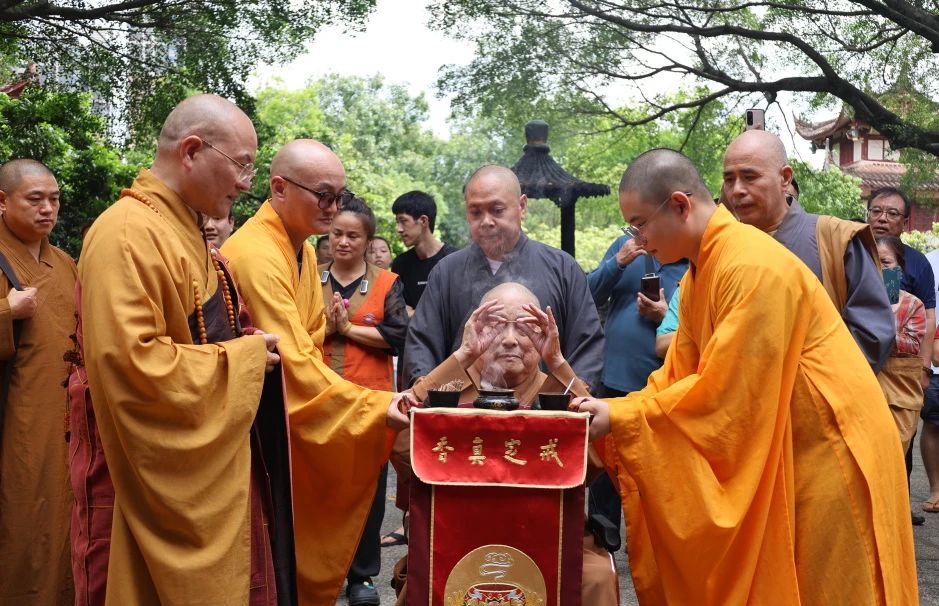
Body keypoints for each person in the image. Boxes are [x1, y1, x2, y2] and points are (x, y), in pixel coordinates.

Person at [575, 148, 916, 604]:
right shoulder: (702, 272)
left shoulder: (750, 266)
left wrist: (624, 417)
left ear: (679, 205)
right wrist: (616, 414)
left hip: (831, 446)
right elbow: (679, 373)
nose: (634, 239)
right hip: (792, 441)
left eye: (639, 224)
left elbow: (724, 394)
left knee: (830, 585)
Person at [76, 94, 291, 604]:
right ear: (192, 151)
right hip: (145, 479)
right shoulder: (126, 232)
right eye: (241, 164)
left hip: (207, 463)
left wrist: (245, 347)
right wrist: (242, 361)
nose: (246, 182)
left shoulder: (185, 230)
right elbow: (132, 367)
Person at [221, 139, 410, 606]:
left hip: (295, 408)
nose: (334, 209)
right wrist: (371, 406)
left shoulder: (301, 250)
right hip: (266, 419)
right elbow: (292, 357)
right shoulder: (256, 253)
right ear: (279, 187)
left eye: (339, 197)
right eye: (323, 195)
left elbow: (309, 341)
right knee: (271, 548)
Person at [400, 282, 617, 606]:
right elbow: (402, 447)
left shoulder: (557, 390)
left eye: (527, 328)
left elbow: (598, 456)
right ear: (475, 330)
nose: (511, 339)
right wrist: (462, 356)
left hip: (548, 533)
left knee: (596, 577)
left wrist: (557, 362)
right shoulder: (448, 390)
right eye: (497, 326)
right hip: (458, 534)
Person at [403, 165, 604, 391]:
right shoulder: (447, 271)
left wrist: (577, 395)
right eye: (476, 212)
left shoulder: (562, 268)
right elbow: (422, 344)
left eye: (497, 210)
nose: (486, 221)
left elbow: (587, 347)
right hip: (462, 414)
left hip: (543, 413)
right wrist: (422, 392)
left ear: (522, 207)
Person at [723, 129, 895, 373]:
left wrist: (790, 381)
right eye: (729, 179)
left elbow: (872, 336)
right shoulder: (727, 245)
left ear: (785, 178)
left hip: (818, 399)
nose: (737, 190)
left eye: (749, 177)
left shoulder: (835, 238)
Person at [318, 197, 409, 605]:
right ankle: (318, 570)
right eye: (336, 233)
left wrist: (347, 329)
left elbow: (397, 336)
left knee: (369, 489)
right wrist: (327, 329)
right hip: (318, 396)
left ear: (368, 240)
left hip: (370, 397)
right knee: (320, 485)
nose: (342, 242)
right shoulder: (311, 277)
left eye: (352, 235)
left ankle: (362, 577)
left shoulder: (387, 282)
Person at [0, 159, 75, 605]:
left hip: (67, 421)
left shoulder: (65, 263)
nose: (48, 209)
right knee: (22, 525)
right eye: (35, 199)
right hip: (16, 423)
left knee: (66, 524)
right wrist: (8, 311)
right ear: (2, 202)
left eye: (54, 199)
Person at [587, 229, 687, 542]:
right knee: (606, 466)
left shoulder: (691, 264)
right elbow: (586, 294)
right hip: (614, 375)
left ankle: (651, 540)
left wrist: (663, 314)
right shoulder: (624, 246)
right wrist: (618, 262)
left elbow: (699, 332)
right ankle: (605, 536)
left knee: (654, 467)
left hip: (660, 388)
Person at [866, 187, 939, 518]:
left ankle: (895, 505)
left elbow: (917, 317)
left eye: (891, 213)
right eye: (876, 210)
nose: (882, 218)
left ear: (906, 222)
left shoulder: (908, 261)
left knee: (899, 439)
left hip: (897, 363)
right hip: (856, 361)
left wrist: (924, 368)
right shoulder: (849, 248)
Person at [875, 236, 926, 458]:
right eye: (872, 261)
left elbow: (913, 344)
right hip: (863, 387)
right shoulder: (851, 298)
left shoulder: (913, 304)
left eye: (885, 263)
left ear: (899, 268)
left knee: (892, 454)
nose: (878, 268)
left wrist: (876, 328)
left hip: (897, 391)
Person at [390, 190, 456, 316]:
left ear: (423, 221)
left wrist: (415, 313)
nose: (399, 229)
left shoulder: (454, 260)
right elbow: (398, 311)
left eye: (403, 221)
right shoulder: (401, 264)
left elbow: (454, 310)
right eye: (397, 222)